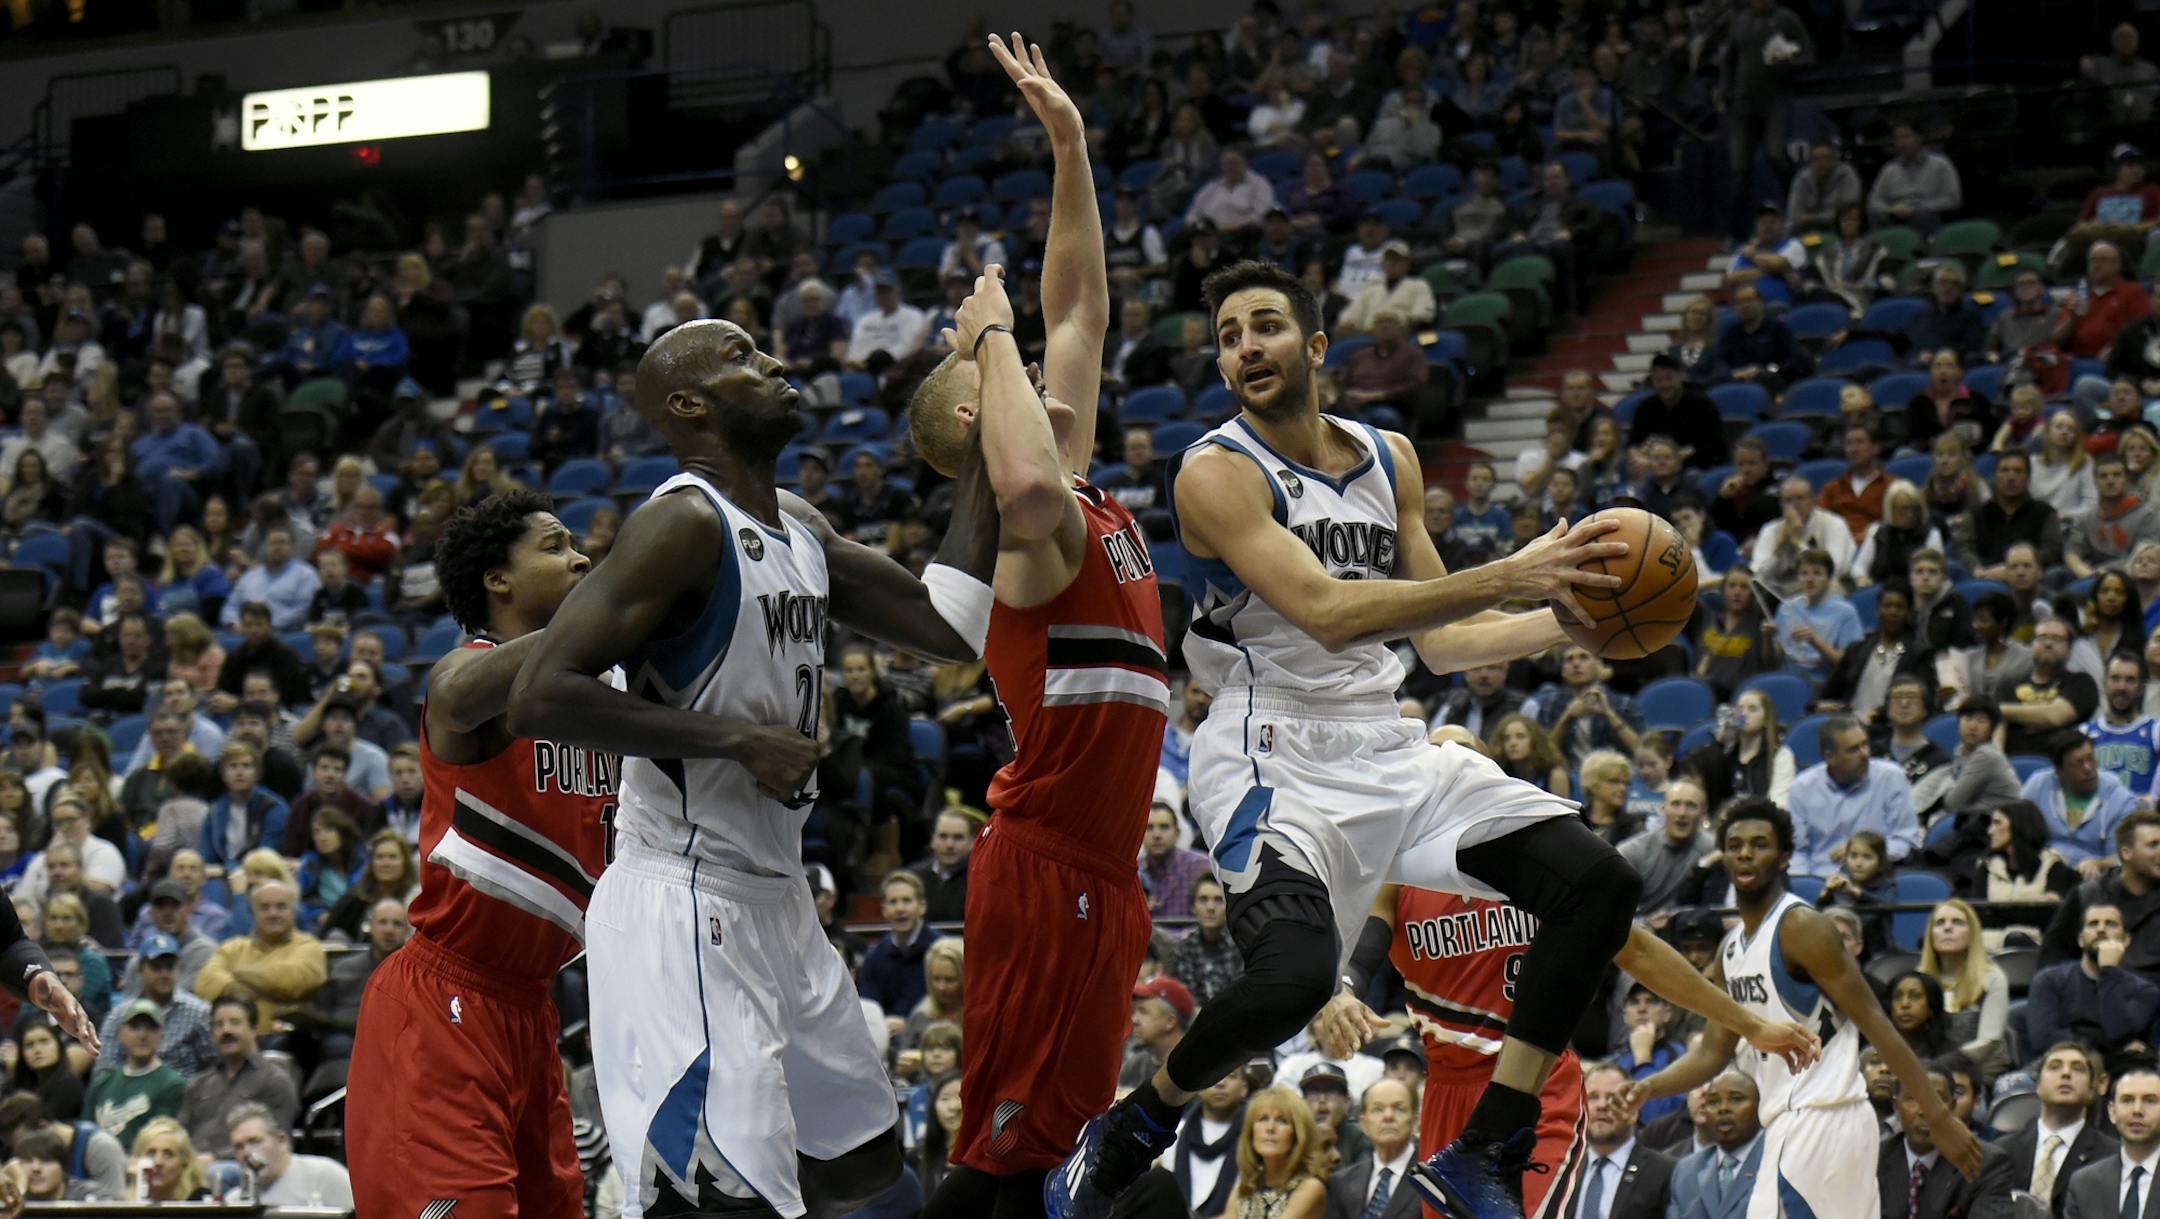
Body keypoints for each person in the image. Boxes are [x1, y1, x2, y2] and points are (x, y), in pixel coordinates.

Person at [1042, 255, 1663, 1219]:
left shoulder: (1390, 457)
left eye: (1266, 326)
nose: (1246, 346)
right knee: (1291, 980)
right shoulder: (1215, 471)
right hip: (1269, 751)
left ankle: (1486, 1149)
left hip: (1387, 740)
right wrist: (1515, 572)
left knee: (1599, 884)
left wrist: (1570, 623)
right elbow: (1329, 612)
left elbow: (1443, 642)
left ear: (1317, 345)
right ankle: (1134, 1125)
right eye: (1229, 336)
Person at [508, 276, 1001, 1219]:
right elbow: (541, 692)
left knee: (861, 1162)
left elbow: (949, 625)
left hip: (777, 896)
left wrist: (982, 450)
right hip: (683, 897)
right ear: (688, 406)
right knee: (735, 1195)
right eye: (741, 356)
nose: (773, 362)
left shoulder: (799, 528)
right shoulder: (681, 523)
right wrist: (735, 737)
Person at [339, 488, 614, 1219]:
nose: (582, 556)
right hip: (443, 1004)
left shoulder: (600, 695)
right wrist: (618, 607)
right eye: (555, 546)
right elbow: (454, 691)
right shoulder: (470, 674)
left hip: (532, 1009)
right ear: (499, 579)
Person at [1623, 799, 1984, 1214]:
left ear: (1785, 857)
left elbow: (1876, 1023)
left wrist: (1937, 1117)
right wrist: (1651, 1086)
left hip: (1825, 1114)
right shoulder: (1731, 949)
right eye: (1735, 844)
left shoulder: (1800, 927)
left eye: (1759, 844)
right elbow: (1712, 1052)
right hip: (1791, 1119)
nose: (1745, 852)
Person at [2026, 902, 2160, 1059]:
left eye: (2111, 924)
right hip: (2062, 1063)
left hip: (2121, 1071)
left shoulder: (2144, 991)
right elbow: (2044, 1039)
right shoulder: (2048, 980)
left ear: (2126, 940)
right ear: (2081, 940)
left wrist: (2109, 972)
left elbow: (2118, 1033)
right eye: (2093, 924)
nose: (2101, 930)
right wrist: (2111, 1049)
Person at [1997, 1042, 2117, 1213]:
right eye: (2054, 1067)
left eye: (2078, 1069)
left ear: (2092, 1089)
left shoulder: (2111, 1156)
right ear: (2038, 1085)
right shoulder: (2003, 1151)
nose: (2066, 1073)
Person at [174, 996, 297, 1152]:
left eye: (235, 1023)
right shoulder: (198, 1085)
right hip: (194, 1167)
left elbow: (276, 1143)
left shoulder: (274, 1081)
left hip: (242, 1168)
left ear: (254, 1029)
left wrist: (215, 1159)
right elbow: (179, 1135)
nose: (226, 1030)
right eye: (219, 1025)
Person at [2024, 731, 2142, 871]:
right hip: (2041, 866)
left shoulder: (2121, 800)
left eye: (2091, 758)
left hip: (2091, 877)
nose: (2088, 768)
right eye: (2078, 763)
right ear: (2058, 770)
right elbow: (2016, 825)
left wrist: (2099, 864)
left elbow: (2123, 857)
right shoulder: (2038, 785)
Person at [80, 999, 184, 1150]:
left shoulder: (172, 1084)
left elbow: (160, 1141)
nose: (142, 1035)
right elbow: (85, 1136)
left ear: (161, 1035)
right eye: (135, 1027)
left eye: (151, 1028)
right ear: (121, 1034)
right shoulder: (101, 1085)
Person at [2061, 1064, 2160, 1218]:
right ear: (2112, 1112)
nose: (2137, 1110)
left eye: (2150, 1101)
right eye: (2127, 1100)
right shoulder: (2084, 1183)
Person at [1223, 1087, 1328, 1219]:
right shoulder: (1244, 1188)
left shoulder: (1310, 1188)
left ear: (1297, 1134)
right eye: (1262, 1119)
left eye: (1282, 1121)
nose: (1270, 1128)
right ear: (1251, 1131)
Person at [1322, 1079, 1417, 1219]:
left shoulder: (1433, 1179)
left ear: (1414, 1121)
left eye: (1399, 1109)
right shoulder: (1341, 1182)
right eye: (1378, 1109)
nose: (1388, 1116)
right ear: (1364, 1124)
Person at [227, 1100, 352, 1206]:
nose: (247, 1152)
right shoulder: (234, 1201)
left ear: (282, 1141)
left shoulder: (323, 1175)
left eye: (255, 1141)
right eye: (239, 1147)